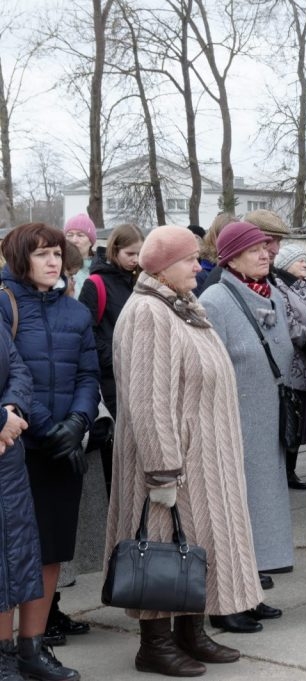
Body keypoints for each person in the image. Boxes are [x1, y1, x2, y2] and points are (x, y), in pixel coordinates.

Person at [105, 225, 267, 675]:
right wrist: (161, 470)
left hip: (203, 459)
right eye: (190, 259)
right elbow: (147, 398)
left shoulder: (180, 305)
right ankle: (154, 645)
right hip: (170, 462)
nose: (200, 266)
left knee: (194, 546)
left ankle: (191, 634)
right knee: (160, 546)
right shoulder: (147, 313)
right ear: (163, 265)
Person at [0, 222, 101, 681]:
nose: (53, 261)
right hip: (18, 445)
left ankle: (32, 648)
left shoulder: (74, 312)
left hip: (63, 449)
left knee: (51, 552)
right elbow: (11, 376)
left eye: (57, 253)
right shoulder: (5, 303)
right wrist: (47, 427)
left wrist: (78, 422)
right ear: (21, 258)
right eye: (41, 254)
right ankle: (4, 652)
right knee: (9, 553)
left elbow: (87, 373)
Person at [199, 221, 295, 630]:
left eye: (266, 248)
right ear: (232, 256)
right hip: (235, 421)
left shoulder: (269, 291)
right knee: (232, 512)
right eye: (255, 249)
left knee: (259, 508)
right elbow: (209, 367)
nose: (266, 254)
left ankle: (250, 591)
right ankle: (225, 603)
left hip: (267, 415)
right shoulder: (215, 300)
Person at [78, 223, 144, 491]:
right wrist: (119, 355)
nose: (136, 260)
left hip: (137, 376)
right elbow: (87, 334)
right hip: (110, 380)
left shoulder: (138, 279)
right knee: (116, 452)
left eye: (140, 254)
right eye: (130, 254)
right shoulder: (96, 284)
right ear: (114, 250)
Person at [0, 326, 44, 680]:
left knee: (13, 557)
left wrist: (10, 409)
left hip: (7, 457)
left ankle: (9, 656)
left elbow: (18, 368)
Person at [272, 245, 306, 491]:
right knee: (290, 418)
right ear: (286, 263)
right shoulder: (278, 288)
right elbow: (287, 323)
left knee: (302, 421)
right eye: (300, 260)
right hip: (292, 364)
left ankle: (291, 469)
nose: (305, 264)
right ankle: (285, 471)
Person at [194, 212, 234, 294]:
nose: (233, 241)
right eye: (228, 236)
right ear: (214, 238)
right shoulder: (201, 274)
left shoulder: (244, 268)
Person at [62, 214, 96, 300]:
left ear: (91, 242)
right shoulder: (57, 266)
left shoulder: (99, 269)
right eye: (70, 235)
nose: (74, 240)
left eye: (80, 235)